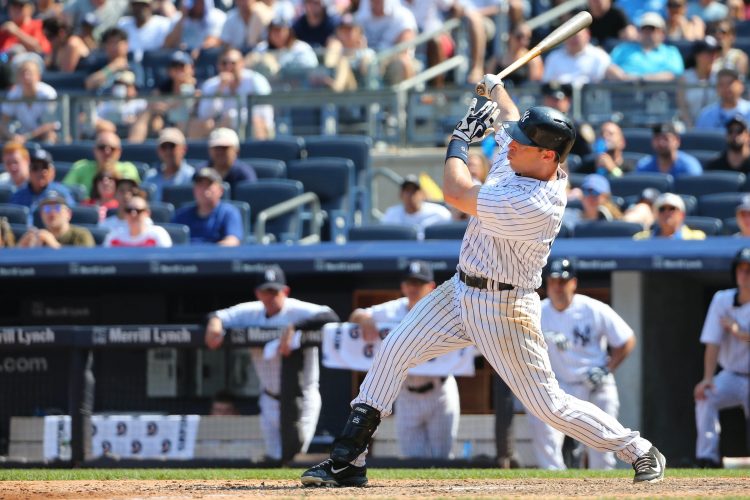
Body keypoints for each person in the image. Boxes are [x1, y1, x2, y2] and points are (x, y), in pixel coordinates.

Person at [301, 76, 666, 487]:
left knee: (548, 406)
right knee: (394, 350)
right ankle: (347, 460)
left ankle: (637, 448)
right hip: (460, 290)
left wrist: (460, 139)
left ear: (548, 156)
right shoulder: (524, 157)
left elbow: (456, 192)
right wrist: (496, 90)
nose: (508, 144)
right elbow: (510, 118)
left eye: (521, 143)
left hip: (504, 308)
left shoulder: (535, 203)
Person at [204, 265, 340, 461]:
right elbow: (217, 316)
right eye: (265, 291)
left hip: (302, 398)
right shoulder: (251, 311)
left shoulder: (297, 310)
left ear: (285, 291)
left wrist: (295, 327)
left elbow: (331, 316)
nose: (269, 297)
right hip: (269, 397)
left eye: (274, 292)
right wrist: (215, 323)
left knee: (293, 454)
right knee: (272, 458)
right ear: (257, 293)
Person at [529, 258, 636, 470]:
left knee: (602, 447)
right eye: (553, 282)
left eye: (563, 281)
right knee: (544, 430)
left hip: (594, 383)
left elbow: (627, 339)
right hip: (559, 386)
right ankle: (555, 485)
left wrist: (607, 368)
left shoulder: (593, 308)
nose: (558, 287)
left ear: (573, 283)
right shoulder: (537, 311)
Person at [348, 260, 460, 459]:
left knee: (443, 457)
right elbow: (356, 314)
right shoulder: (393, 309)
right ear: (402, 286)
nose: (413, 288)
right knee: (413, 458)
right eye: (409, 283)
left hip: (440, 391)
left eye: (418, 283)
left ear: (431, 286)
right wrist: (364, 319)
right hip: (406, 393)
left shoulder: (444, 309)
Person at [694, 247, 750, 468]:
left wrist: (738, 331)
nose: (744, 275)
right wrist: (707, 377)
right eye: (741, 269)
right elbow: (712, 342)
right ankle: (707, 458)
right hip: (732, 375)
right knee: (705, 396)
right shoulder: (722, 299)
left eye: (749, 270)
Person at [192, 47, 274, 140]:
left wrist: (232, 118)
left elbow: (263, 114)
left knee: (256, 122)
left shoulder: (256, 81)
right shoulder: (211, 85)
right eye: (224, 63)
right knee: (199, 125)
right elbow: (204, 114)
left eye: (233, 63)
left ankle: (256, 152)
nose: (228, 67)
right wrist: (219, 91)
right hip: (221, 129)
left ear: (242, 64)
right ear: (218, 65)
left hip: (252, 128)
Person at [172, 167, 243, 245]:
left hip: (217, 256)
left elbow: (232, 241)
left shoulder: (229, 213)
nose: (204, 189)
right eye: (200, 184)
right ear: (194, 190)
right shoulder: (181, 215)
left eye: (209, 184)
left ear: (221, 190)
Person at [62, 131, 141, 197]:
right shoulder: (81, 167)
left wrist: (113, 173)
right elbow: (64, 191)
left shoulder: (128, 168)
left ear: (119, 152)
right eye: (102, 147)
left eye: (112, 149)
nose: (107, 152)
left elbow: (133, 196)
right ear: (94, 150)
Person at [609, 12, 684, 82]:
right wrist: (625, 78)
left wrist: (643, 79)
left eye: (652, 28)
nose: (647, 32)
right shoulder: (622, 49)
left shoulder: (671, 52)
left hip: (659, 93)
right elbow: (609, 68)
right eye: (644, 28)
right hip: (625, 92)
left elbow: (675, 74)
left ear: (662, 33)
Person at [0, 55, 59, 144]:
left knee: (50, 135)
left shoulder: (48, 93)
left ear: (38, 76)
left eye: (30, 73)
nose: (26, 77)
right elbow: (3, 122)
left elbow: (50, 125)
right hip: (21, 136)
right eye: (23, 73)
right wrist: (12, 136)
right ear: (18, 78)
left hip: (42, 135)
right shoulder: (13, 94)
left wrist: (27, 137)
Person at [380, 174, 451, 240]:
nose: (411, 194)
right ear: (401, 194)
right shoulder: (391, 214)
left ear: (423, 194)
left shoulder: (440, 213)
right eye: (407, 190)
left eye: (414, 190)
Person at [17, 191, 95, 248]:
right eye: (47, 209)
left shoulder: (81, 235)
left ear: (68, 214)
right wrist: (22, 247)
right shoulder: (39, 237)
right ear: (41, 215)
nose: (51, 212)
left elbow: (85, 261)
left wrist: (53, 244)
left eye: (57, 208)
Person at [541, 27, 616, 85]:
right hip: (559, 101)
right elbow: (547, 83)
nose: (572, 39)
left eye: (576, 36)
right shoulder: (554, 57)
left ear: (587, 35)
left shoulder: (600, 56)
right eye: (569, 36)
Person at [10, 148, 75, 214]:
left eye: (45, 167)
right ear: (29, 171)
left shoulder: (61, 194)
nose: (40, 172)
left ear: (52, 171)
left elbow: (72, 216)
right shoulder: (19, 196)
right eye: (35, 168)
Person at [678, 36, 720, 128]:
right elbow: (682, 106)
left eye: (714, 52)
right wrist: (690, 127)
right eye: (708, 52)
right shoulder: (685, 77)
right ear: (697, 55)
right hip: (689, 125)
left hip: (716, 125)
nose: (712, 56)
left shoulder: (719, 76)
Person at [144, 127, 196, 202]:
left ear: (184, 149)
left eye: (172, 146)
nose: (168, 151)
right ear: (158, 150)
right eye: (164, 147)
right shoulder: (150, 177)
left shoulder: (192, 176)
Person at [635, 122, 703, 178]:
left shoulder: (689, 167)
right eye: (657, 139)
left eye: (666, 139)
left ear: (677, 141)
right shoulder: (644, 166)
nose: (661, 143)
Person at [103, 193, 172, 247]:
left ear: (147, 213)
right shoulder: (114, 236)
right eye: (129, 210)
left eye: (138, 211)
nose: (133, 214)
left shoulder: (158, 234)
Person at [633, 192, 706, 240]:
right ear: (656, 215)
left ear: (682, 215)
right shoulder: (641, 239)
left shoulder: (696, 239)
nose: (666, 212)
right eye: (662, 209)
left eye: (672, 208)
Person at [84, 27, 131, 92]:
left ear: (126, 45)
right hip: (102, 100)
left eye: (116, 42)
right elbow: (89, 84)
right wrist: (113, 67)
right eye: (110, 43)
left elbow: (138, 91)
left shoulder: (134, 65)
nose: (113, 46)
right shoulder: (98, 64)